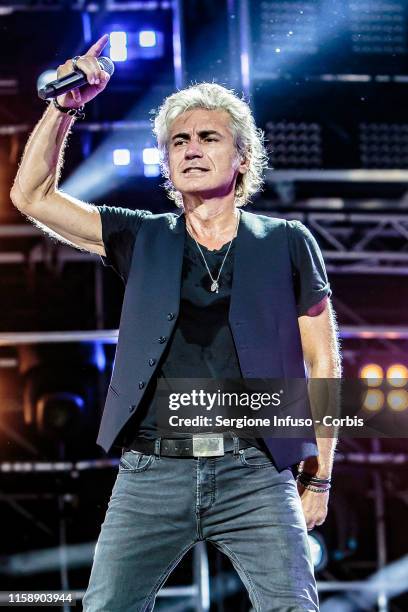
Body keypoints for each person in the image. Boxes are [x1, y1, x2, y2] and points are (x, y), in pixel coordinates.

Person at [11, 35, 341, 612]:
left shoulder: (287, 242)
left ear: (241, 158)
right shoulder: (142, 236)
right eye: (178, 141)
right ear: (166, 161)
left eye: (208, 138)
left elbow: (324, 361)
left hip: (256, 469)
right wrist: (65, 107)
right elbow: (31, 196)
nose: (190, 149)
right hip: (151, 469)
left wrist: (321, 476)